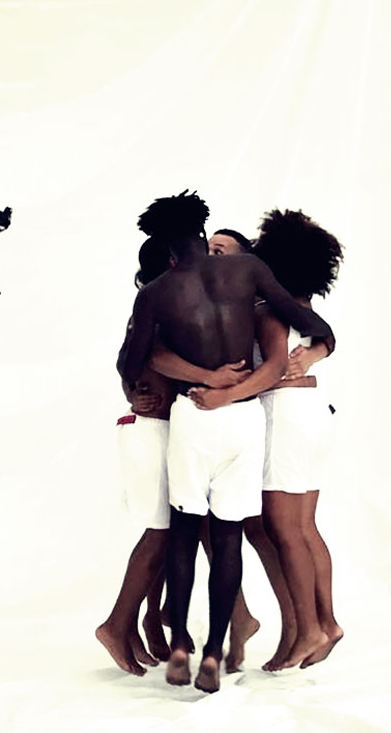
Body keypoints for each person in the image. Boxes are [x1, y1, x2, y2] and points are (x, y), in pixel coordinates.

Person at [118, 190, 334, 693]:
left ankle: (180, 645)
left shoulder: (155, 293)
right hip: (244, 419)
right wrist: (313, 355)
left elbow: (132, 362)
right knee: (230, 534)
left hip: (193, 415)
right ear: (200, 230)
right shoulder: (249, 272)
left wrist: (145, 391)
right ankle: (215, 651)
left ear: (164, 244)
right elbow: (315, 327)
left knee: (184, 531)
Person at [189, 209, 344, 670]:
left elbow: (274, 368)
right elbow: (323, 339)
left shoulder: (267, 308)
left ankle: (310, 629)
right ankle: (324, 624)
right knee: (304, 527)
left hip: (285, 413)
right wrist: (316, 353)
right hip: (312, 411)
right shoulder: (299, 304)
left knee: (285, 529)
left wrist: (225, 393)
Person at [96, 237, 251, 676]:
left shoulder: (177, 302)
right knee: (162, 533)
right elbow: (132, 360)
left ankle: (149, 620)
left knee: (179, 529)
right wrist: (134, 394)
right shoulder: (159, 305)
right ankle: (118, 624)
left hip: (174, 427)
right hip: (153, 428)